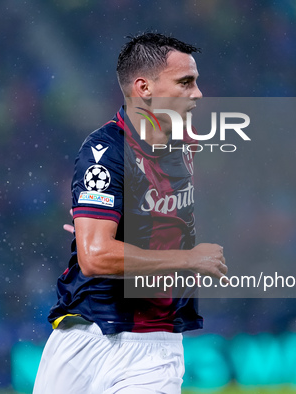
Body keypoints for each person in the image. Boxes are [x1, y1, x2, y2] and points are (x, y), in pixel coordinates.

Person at [33, 32, 227, 393]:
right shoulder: (105, 151)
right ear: (144, 88)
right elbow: (95, 258)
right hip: (84, 337)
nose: (197, 94)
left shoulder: (189, 145)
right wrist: (187, 260)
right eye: (185, 83)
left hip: (156, 347)